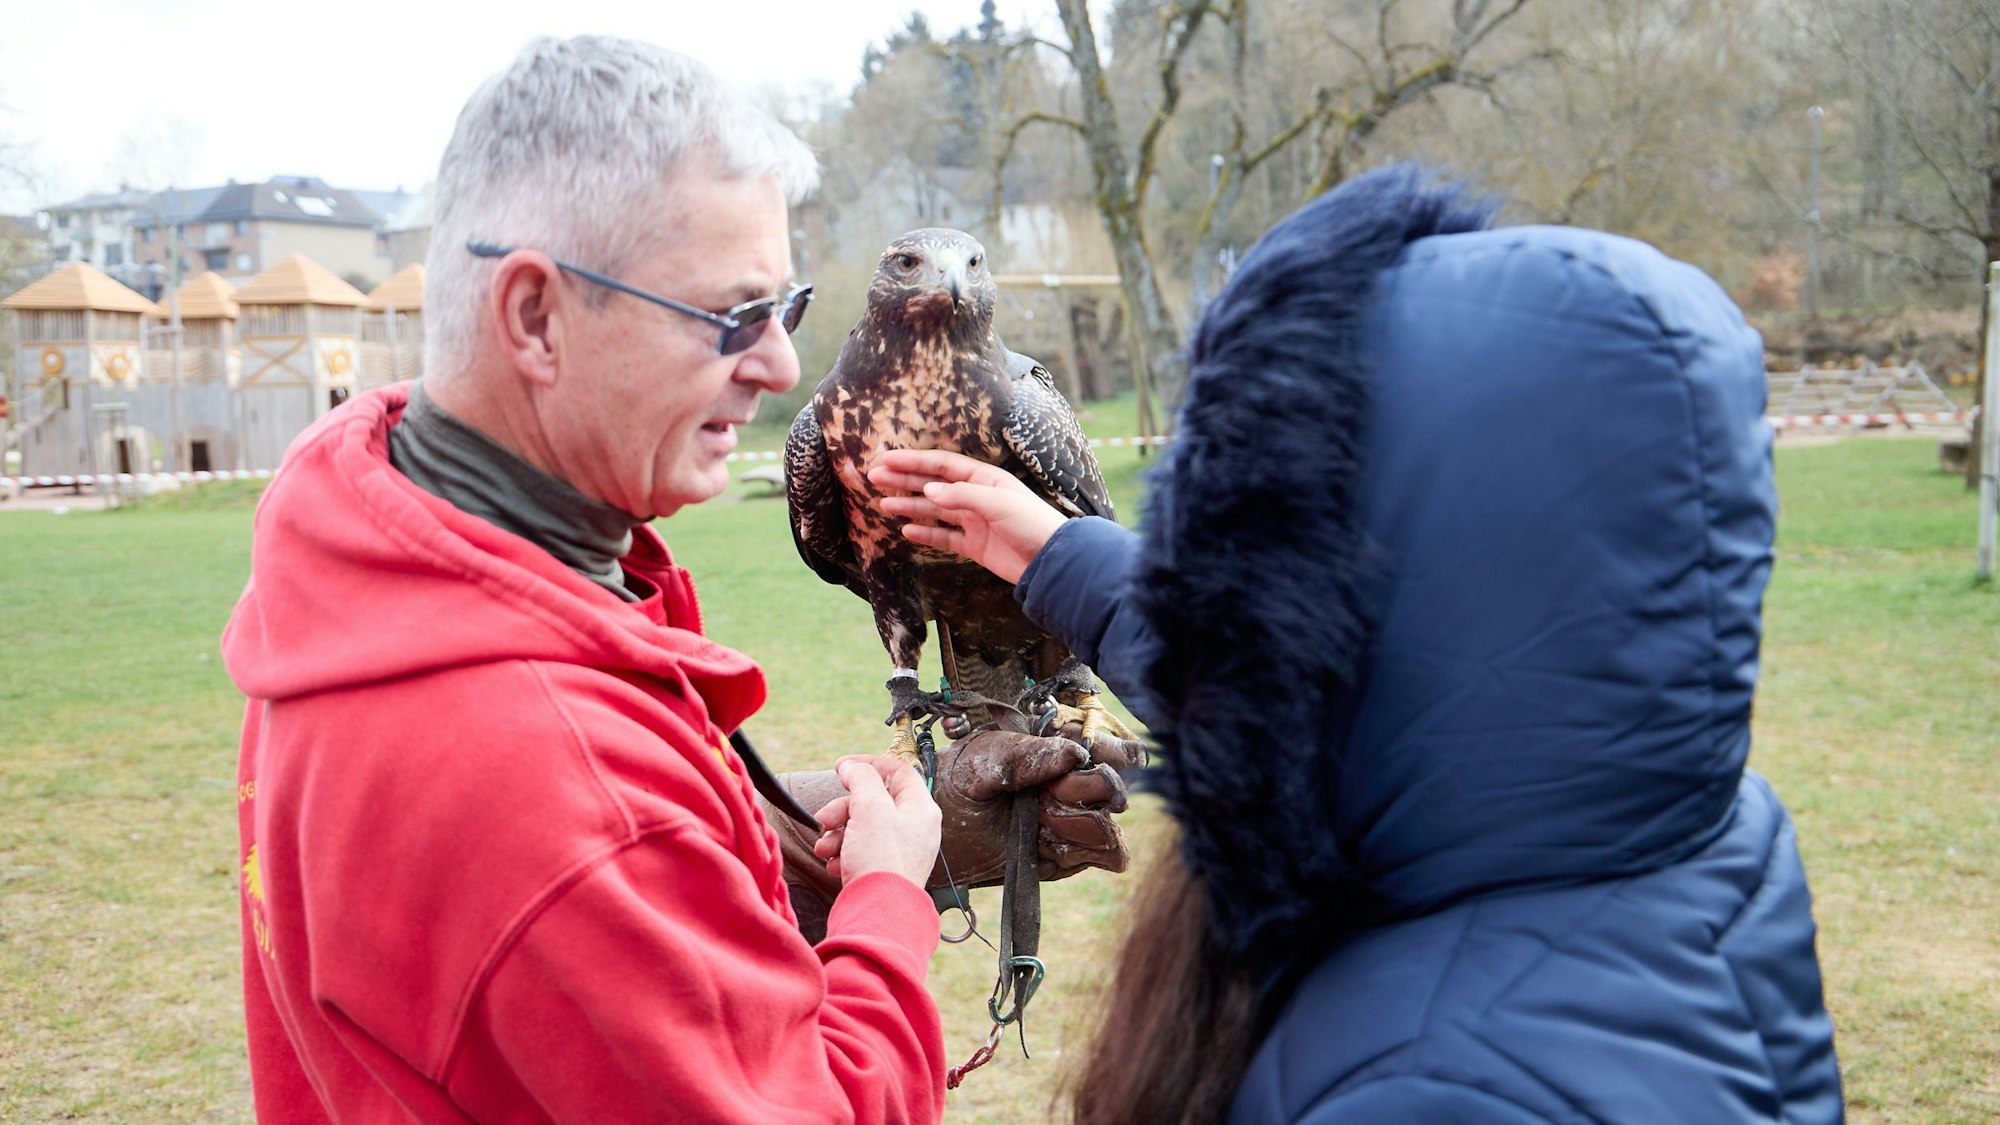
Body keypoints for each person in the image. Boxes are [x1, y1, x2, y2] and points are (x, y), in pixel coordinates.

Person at [223, 36, 1134, 1123]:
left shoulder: (388, 579)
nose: (782, 367)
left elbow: (582, 971)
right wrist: (889, 898)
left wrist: (827, 841)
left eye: (786, 309)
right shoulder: (543, 768)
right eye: (729, 316)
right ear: (534, 317)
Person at [871, 165, 1845, 1123]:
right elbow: (1330, 690)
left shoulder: (1436, 1092)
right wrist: (1060, 556)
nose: (1229, 589)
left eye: (1261, 552)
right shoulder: (1692, 829)